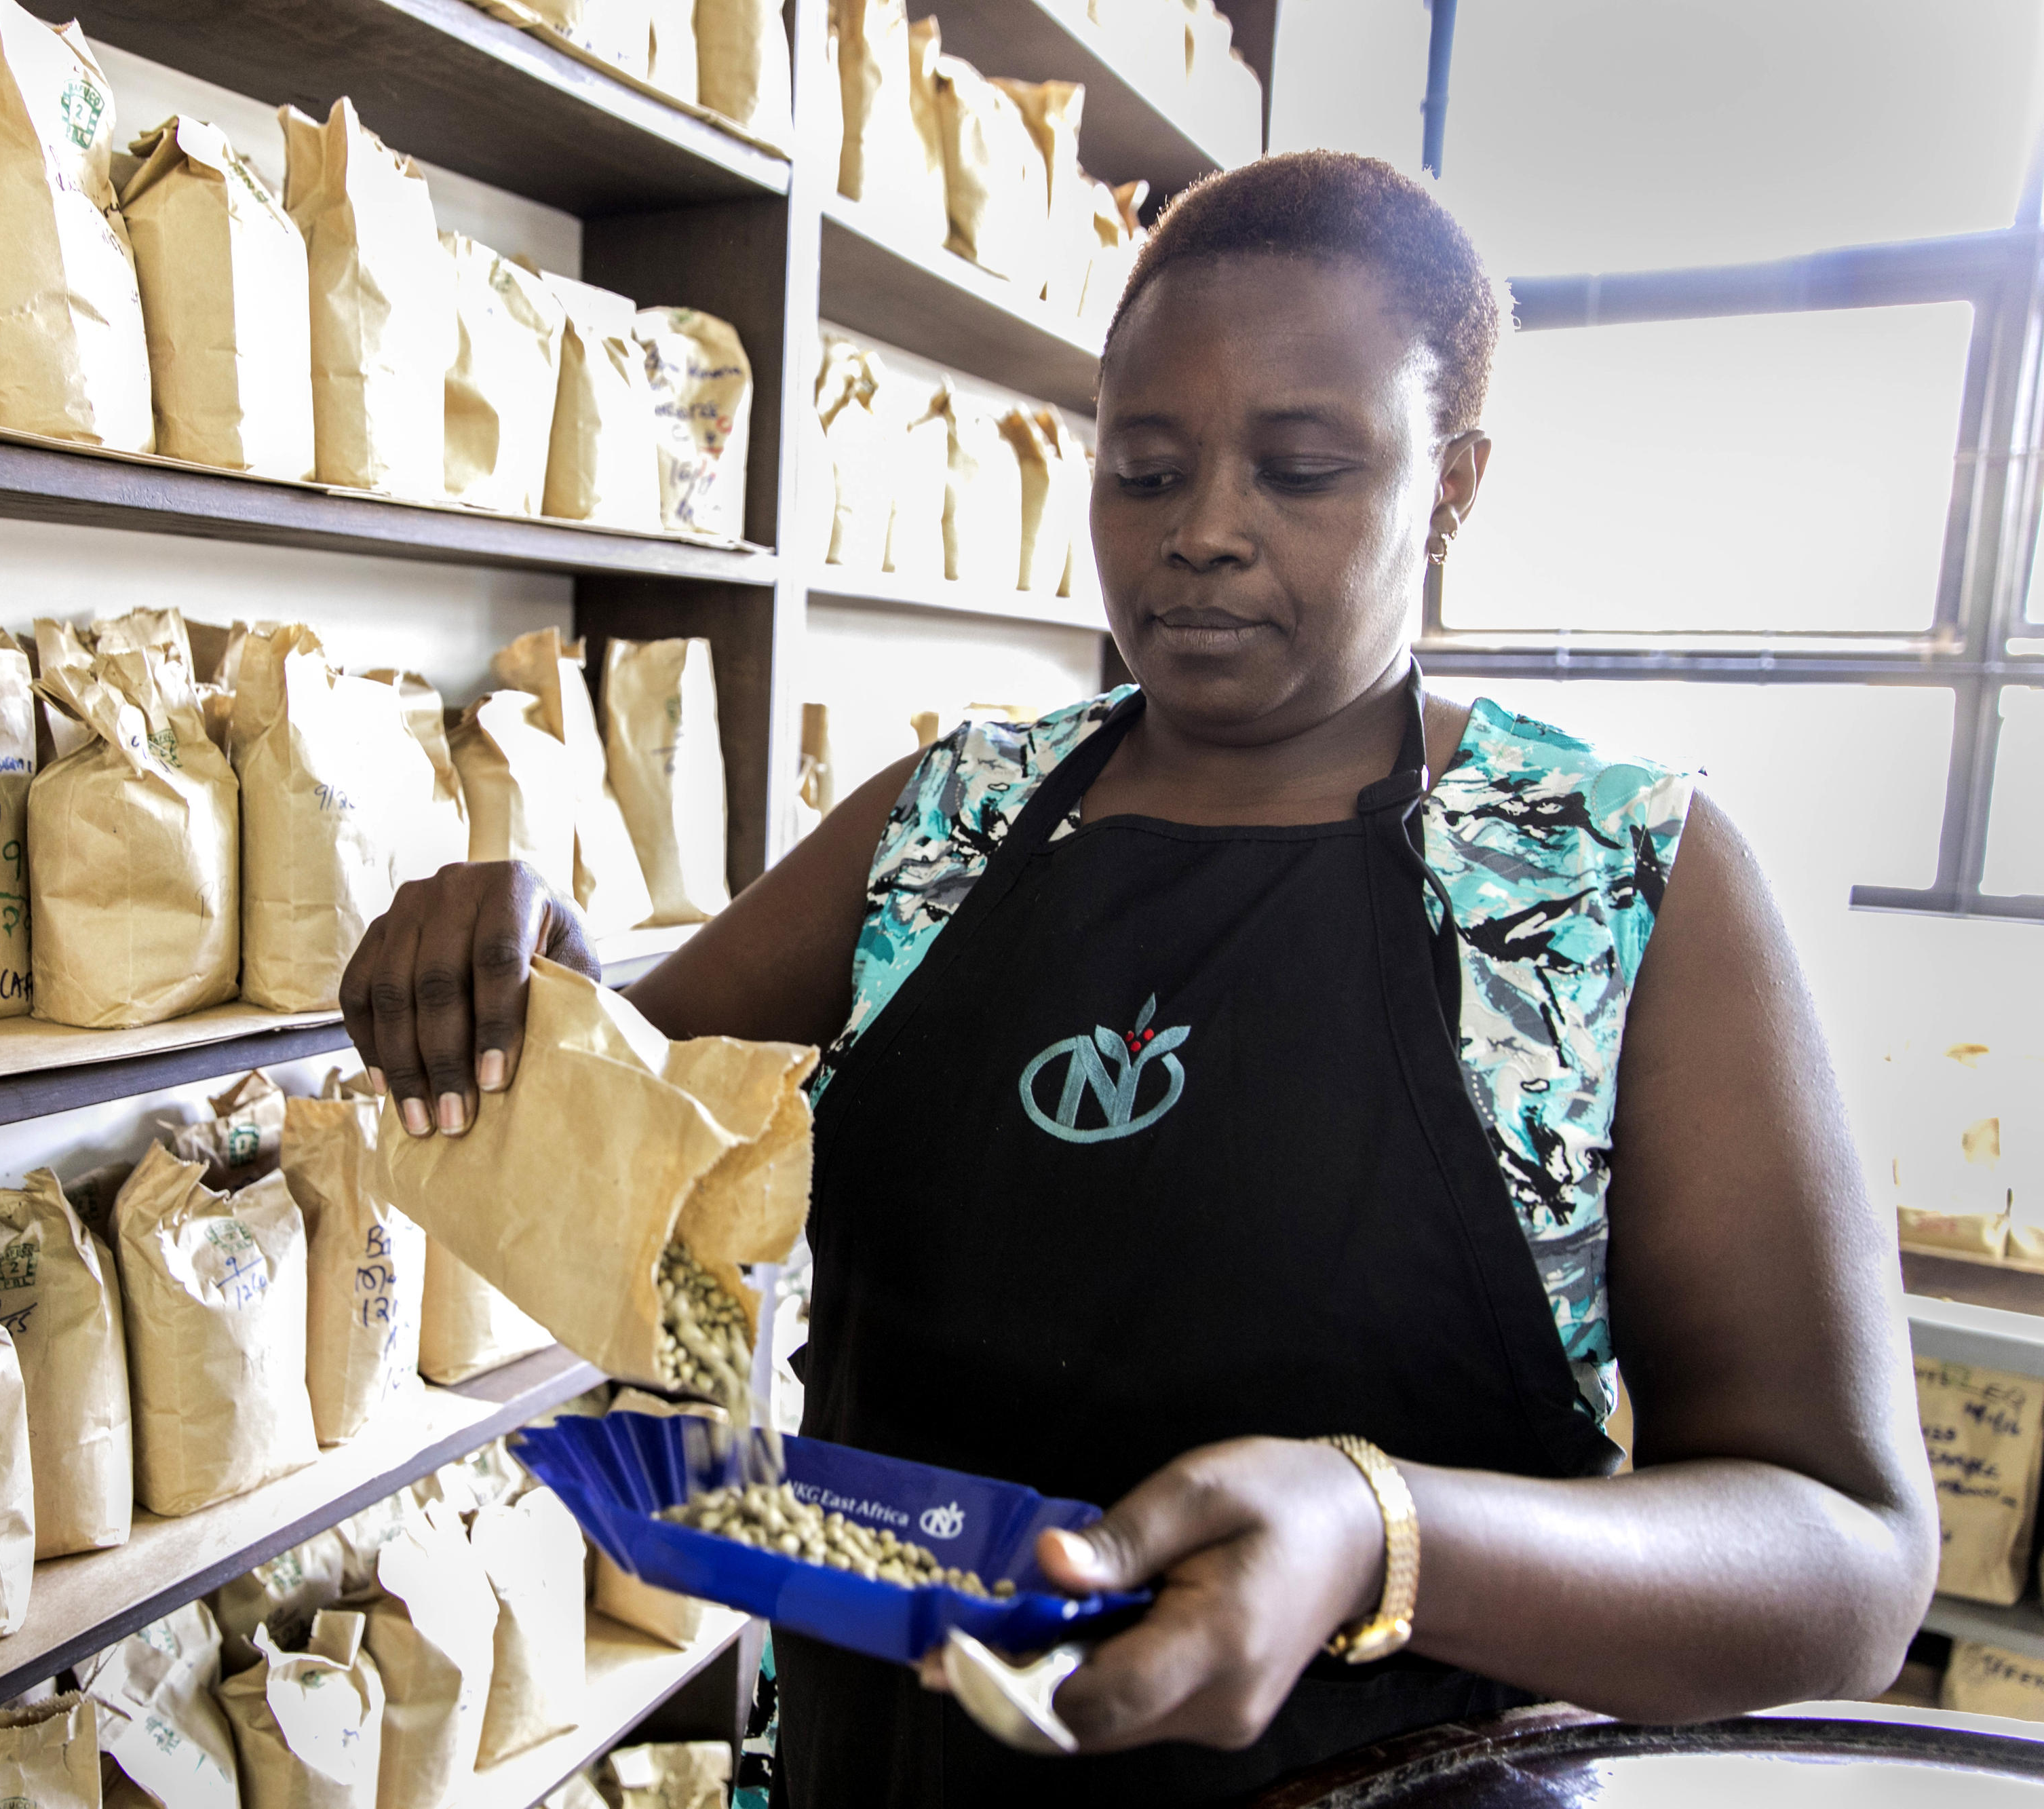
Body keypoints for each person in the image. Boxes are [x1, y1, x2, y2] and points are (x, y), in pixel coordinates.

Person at [339, 151, 1936, 1805]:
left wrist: (1383, 1532)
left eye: (1302, 469)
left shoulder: (1601, 880)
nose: (1204, 535)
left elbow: (1847, 1559)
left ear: (1450, 483)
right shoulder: (945, 824)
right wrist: (511, 953)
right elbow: (622, 1101)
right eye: (1144, 469)